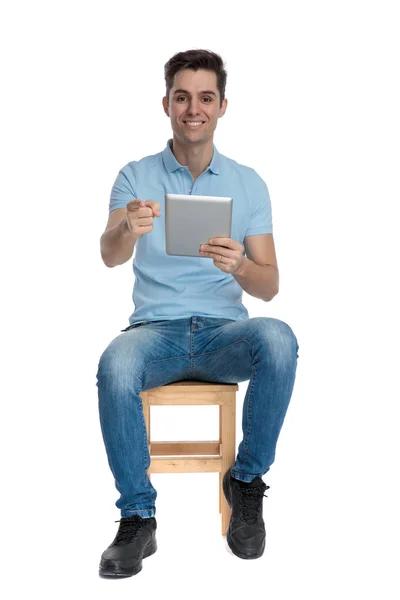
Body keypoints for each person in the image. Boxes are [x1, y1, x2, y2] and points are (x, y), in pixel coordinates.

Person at [96, 49, 299, 578]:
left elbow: (271, 286)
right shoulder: (136, 175)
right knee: (115, 365)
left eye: (205, 98)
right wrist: (125, 230)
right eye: (182, 97)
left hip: (221, 336)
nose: (193, 109)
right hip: (154, 334)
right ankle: (138, 517)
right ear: (166, 103)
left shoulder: (248, 182)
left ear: (222, 106)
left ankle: (247, 483)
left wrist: (241, 268)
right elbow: (109, 255)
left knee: (278, 337)